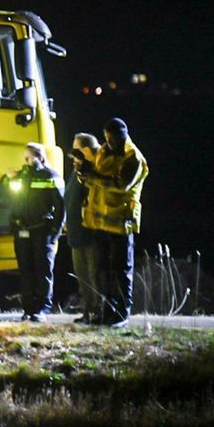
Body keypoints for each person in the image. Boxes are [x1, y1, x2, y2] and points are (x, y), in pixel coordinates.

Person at [79, 118, 148, 328]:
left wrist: (93, 176)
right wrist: (84, 174)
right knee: (103, 270)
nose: (109, 142)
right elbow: (98, 177)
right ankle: (107, 312)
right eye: (107, 138)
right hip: (100, 222)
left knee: (120, 270)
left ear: (122, 136)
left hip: (121, 222)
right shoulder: (103, 151)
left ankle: (121, 314)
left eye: (113, 139)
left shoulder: (132, 157)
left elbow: (121, 185)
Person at [7, 143, 65, 322]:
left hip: (42, 230)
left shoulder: (51, 176)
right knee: (26, 270)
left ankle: (42, 309)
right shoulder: (18, 177)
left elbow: (61, 208)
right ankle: (28, 309)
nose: (27, 161)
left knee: (43, 271)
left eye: (30, 157)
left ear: (40, 157)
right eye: (25, 157)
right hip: (22, 230)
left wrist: (55, 232)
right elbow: (10, 201)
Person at [66, 133, 103, 324]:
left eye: (77, 148)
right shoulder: (77, 169)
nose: (74, 154)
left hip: (90, 231)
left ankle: (99, 311)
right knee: (82, 275)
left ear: (87, 149)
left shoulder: (98, 167)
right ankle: (89, 310)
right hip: (76, 231)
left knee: (94, 273)